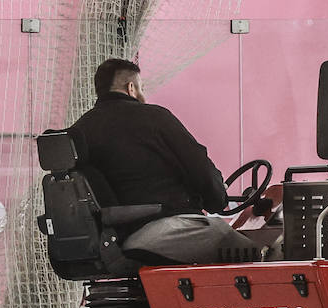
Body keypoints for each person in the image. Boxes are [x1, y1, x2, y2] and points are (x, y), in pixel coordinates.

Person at [67, 57, 256, 264]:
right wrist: (217, 199)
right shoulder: (155, 118)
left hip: (112, 239)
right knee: (255, 254)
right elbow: (200, 168)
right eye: (141, 88)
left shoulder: (79, 131)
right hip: (163, 230)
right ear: (131, 88)